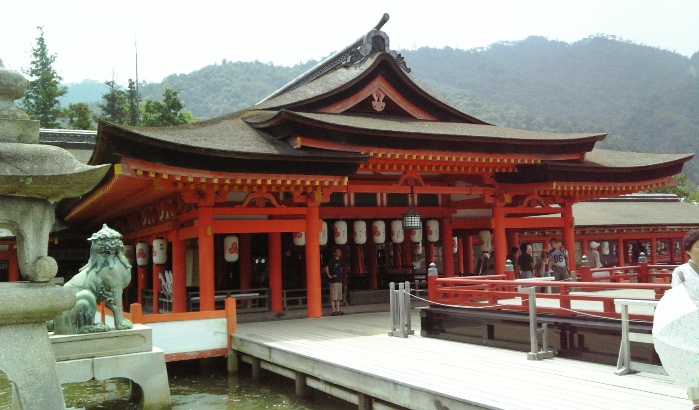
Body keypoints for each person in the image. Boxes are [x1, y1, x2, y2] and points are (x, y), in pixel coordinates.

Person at [324, 247, 344, 316]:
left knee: (338, 297)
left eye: (340, 251)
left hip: (339, 280)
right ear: (334, 253)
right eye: (337, 252)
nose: (339, 253)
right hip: (334, 281)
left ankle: (338, 310)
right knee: (333, 296)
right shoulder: (332, 260)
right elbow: (326, 268)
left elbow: (341, 268)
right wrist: (329, 276)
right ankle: (333, 311)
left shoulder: (340, 260)